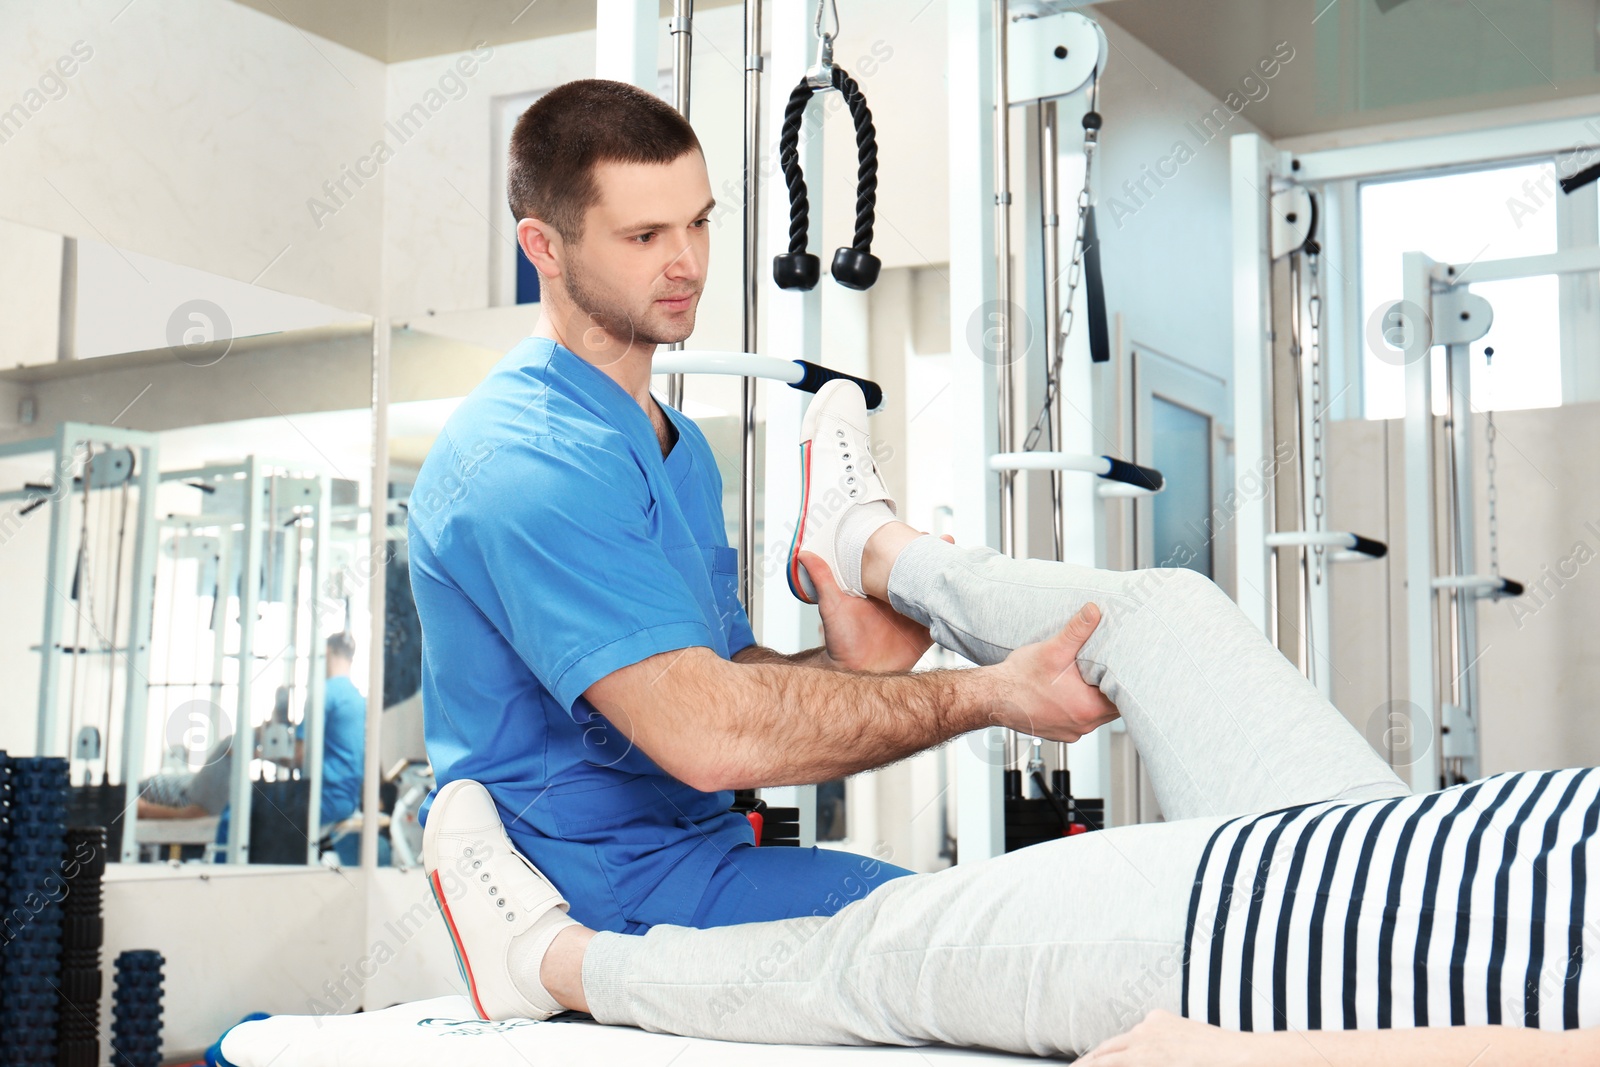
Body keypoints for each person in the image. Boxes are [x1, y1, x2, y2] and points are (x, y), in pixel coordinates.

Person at [421, 383, 1600, 1061]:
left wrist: (1249, 1054)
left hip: (1271, 954)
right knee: (1158, 614)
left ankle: (549, 963)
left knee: (871, 953)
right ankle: (870, 547)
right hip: (1390, 843)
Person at [409, 77, 1098, 935]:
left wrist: (852, 667)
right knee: (976, 939)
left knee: (1007, 925)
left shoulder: (676, 445)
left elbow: (723, 678)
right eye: (644, 235)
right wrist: (992, 694)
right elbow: (709, 737)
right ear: (543, 246)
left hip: (700, 855)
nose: (687, 262)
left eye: (698, 222)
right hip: (592, 895)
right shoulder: (522, 457)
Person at [206, 632, 367, 850]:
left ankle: (224, 877)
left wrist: (257, 755)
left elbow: (300, 757)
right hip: (347, 800)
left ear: (326, 652)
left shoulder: (323, 692)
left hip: (324, 798)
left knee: (236, 811)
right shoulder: (358, 699)